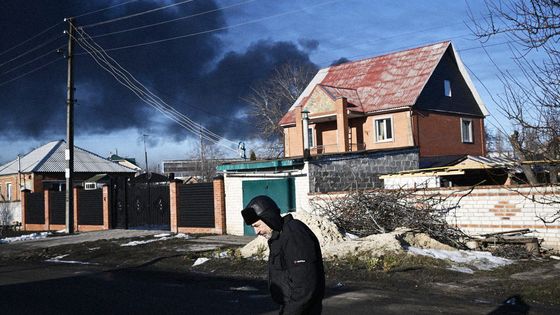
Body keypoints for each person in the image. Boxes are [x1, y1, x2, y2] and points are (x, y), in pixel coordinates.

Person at [241, 195, 325, 315]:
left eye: (257, 226)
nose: (256, 232)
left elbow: (305, 287)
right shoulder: (279, 236)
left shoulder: (294, 234)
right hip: (291, 307)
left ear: (268, 218)